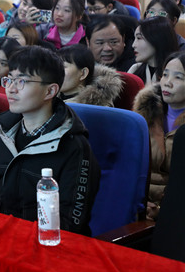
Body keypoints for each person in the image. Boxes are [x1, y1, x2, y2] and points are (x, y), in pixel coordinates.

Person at [0, 46, 101, 235]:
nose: (11, 89)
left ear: (50, 91)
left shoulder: (74, 147)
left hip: (44, 243)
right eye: (10, 79)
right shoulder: (3, 130)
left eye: (22, 81)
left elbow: (70, 222)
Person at [133, 51, 185, 220]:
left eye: (178, 77)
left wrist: (163, 209)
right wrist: (138, 201)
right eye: (165, 74)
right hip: (140, 203)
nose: (167, 83)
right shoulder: (144, 114)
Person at [58, 44, 123, 107]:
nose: (55, 72)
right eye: (56, 66)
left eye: (63, 66)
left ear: (83, 73)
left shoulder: (97, 107)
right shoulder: (54, 99)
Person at [128, 17, 179, 87]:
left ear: (157, 39)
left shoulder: (176, 74)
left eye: (139, 38)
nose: (133, 45)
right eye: (135, 38)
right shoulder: (135, 69)